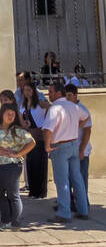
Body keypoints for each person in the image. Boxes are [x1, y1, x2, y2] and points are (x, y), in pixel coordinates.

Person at [43, 81, 89, 224]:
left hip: (60, 146)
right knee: (77, 178)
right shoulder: (73, 106)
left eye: (50, 92)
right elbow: (86, 116)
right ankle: (83, 210)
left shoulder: (55, 108)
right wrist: (75, 127)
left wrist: (47, 146)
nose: (49, 95)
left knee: (62, 180)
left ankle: (64, 212)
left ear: (58, 93)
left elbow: (48, 129)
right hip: (73, 143)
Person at [0, 105, 35, 230]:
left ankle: (15, 222)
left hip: (12, 166)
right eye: (8, 114)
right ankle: (5, 219)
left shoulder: (17, 130)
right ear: (2, 114)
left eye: (13, 114)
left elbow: (31, 142)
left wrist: (18, 154)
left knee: (13, 194)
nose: (10, 116)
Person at [64, 83, 92, 214]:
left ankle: (84, 204)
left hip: (81, 151)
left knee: (81, 179)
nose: (68, 98)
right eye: (66, 96)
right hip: (70, 149)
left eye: (70, 95)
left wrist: (82, 149)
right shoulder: (67, 109)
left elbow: (87, 132)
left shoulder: (82, 110)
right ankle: (72, 204)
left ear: (76, 96)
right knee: (70, 179)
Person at [19, 80, 48, 198]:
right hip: (29, 136)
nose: (27, 92)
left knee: (40, 163)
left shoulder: (40, 103)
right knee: (30, 163)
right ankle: (33, 190)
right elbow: (21, 117)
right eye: (25, 90)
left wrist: (45, 124)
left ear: (33, 91)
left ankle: (41, 191)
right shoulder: (23, 105)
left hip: (39, 136)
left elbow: (51, 108)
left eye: (29, 90)